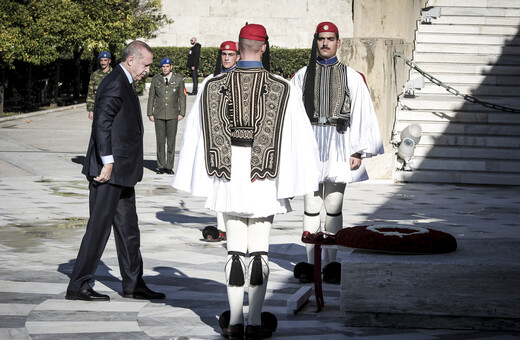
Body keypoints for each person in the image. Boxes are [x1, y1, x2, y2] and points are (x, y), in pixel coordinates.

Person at [173, 24, 320, 339]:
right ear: (263, 47)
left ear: (239, 49)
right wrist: (300, 179)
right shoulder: (283, 87)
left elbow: (194, 138)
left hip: (228, 175)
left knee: (235, 252)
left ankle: (235, 322)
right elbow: (300, 140)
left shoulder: (213, 84)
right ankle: (254, 322)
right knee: (259, 252)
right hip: (264, 177)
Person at [66, 41, 165, 302]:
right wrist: (107, 162)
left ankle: (133, 283)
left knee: (128, 229)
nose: (147, 70)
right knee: (99, 229)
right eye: (145, 65)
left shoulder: (125, 81)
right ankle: (78, 284)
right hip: (108, 171)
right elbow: (102, 124)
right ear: (131, 60)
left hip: (123, 171)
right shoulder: (113, 83)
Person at [291, 21, 384, 284]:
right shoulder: (302, 75)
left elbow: (362, 113)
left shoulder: (352, 76)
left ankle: (332, 265)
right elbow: (292, 115)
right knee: (310, 206)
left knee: (333, 205)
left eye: (330, 39)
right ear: (316, 40)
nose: (325, 43)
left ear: (338, 43)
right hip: (310, 142)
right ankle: (310, 265)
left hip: (339, 142)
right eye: (321, 38)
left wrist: (358, 150)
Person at [202, 40, 240, 242]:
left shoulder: (242, 78)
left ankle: (235, 223)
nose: (226, 58)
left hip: (237, 139)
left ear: (238, 56)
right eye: (224, 54)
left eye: (230, 54)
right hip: (217, 139)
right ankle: (221, 227)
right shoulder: (211, 79)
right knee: (218, 182)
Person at [147, 57, 186, 175]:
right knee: (160, 141)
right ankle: (160, 166)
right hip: (158, 113)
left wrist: (182, 112)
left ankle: (169, 166)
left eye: (167, 66)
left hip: (173, 113)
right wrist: (150, 113)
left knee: (171, 141)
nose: (165, 69)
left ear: (171, 67)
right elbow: (151, 97)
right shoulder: (156, 79)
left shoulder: (178, 79)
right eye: (163, 67)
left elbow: (182, 97)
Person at [86, 51, 112, 120]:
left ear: (109, 61)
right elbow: (90, 93)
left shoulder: (115, 74)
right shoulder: (95, 75)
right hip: (99, 108)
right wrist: (90, 110)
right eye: (101, 60)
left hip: (112, 108)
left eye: (105, 60)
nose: (103, 63)